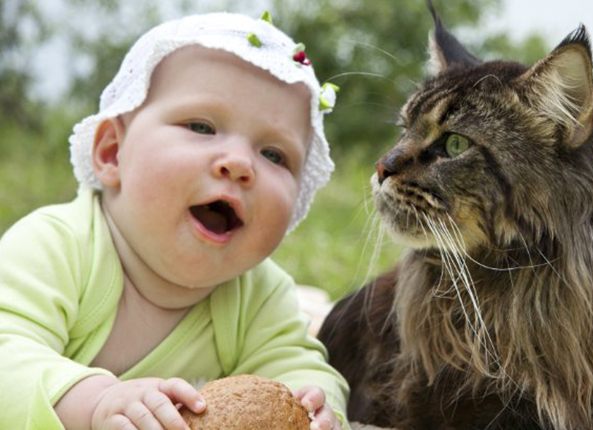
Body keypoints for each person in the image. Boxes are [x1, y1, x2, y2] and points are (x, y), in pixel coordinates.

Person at [0, 12, 349, 430]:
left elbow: (296, 362)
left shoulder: (258, 294)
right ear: (113, 152)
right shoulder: (57, 246)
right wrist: (92, 403)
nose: (240, 164)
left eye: (274, 155)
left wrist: (314, 403)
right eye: (202, 127)